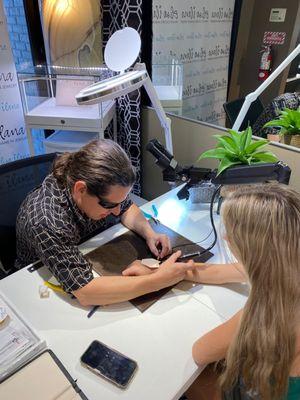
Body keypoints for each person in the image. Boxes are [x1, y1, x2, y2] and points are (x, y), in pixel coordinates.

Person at [15, 139, 195, 306]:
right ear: (81, 189)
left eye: (119, 202)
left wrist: (150, 233)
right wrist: (157, 281)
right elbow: (86, 292)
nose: (116, 211)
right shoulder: (47, 221)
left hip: (86, 251)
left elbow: (126, 208)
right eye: (109, 205)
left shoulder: (98, 184)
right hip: (38, 280)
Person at [185, 184, 300, 400]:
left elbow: (200, 352)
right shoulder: (288, 267)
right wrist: (169, 271)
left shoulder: (268, 313)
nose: (227, 240)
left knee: (195, 377)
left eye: (232, 235)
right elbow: (222, 272)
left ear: (256, 251)